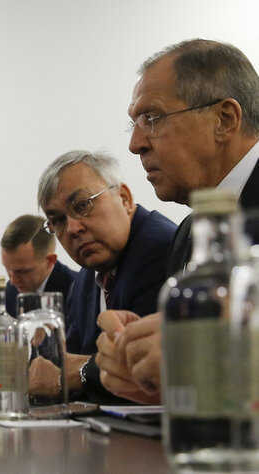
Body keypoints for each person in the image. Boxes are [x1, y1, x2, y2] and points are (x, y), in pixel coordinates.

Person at [97, 39, 259, 403]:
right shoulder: (186, 233)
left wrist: (207, 359)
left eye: (152, 118)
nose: (135, 143)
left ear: (225, 119)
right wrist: (138, 362)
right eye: (134, 124)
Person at [37, 150, 175, 402]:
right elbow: (65, 360)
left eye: (82, 206)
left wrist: (68, 374)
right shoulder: (86, 278)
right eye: (57, 220)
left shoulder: (161, 249)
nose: (73, 229)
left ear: (124, 199)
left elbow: (136, 373)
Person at [0, 214, 77, 317]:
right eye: (8, 269)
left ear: (50, 260)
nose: (13, 281)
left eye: (22, 271)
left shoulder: (77, 291)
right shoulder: (10, 292)